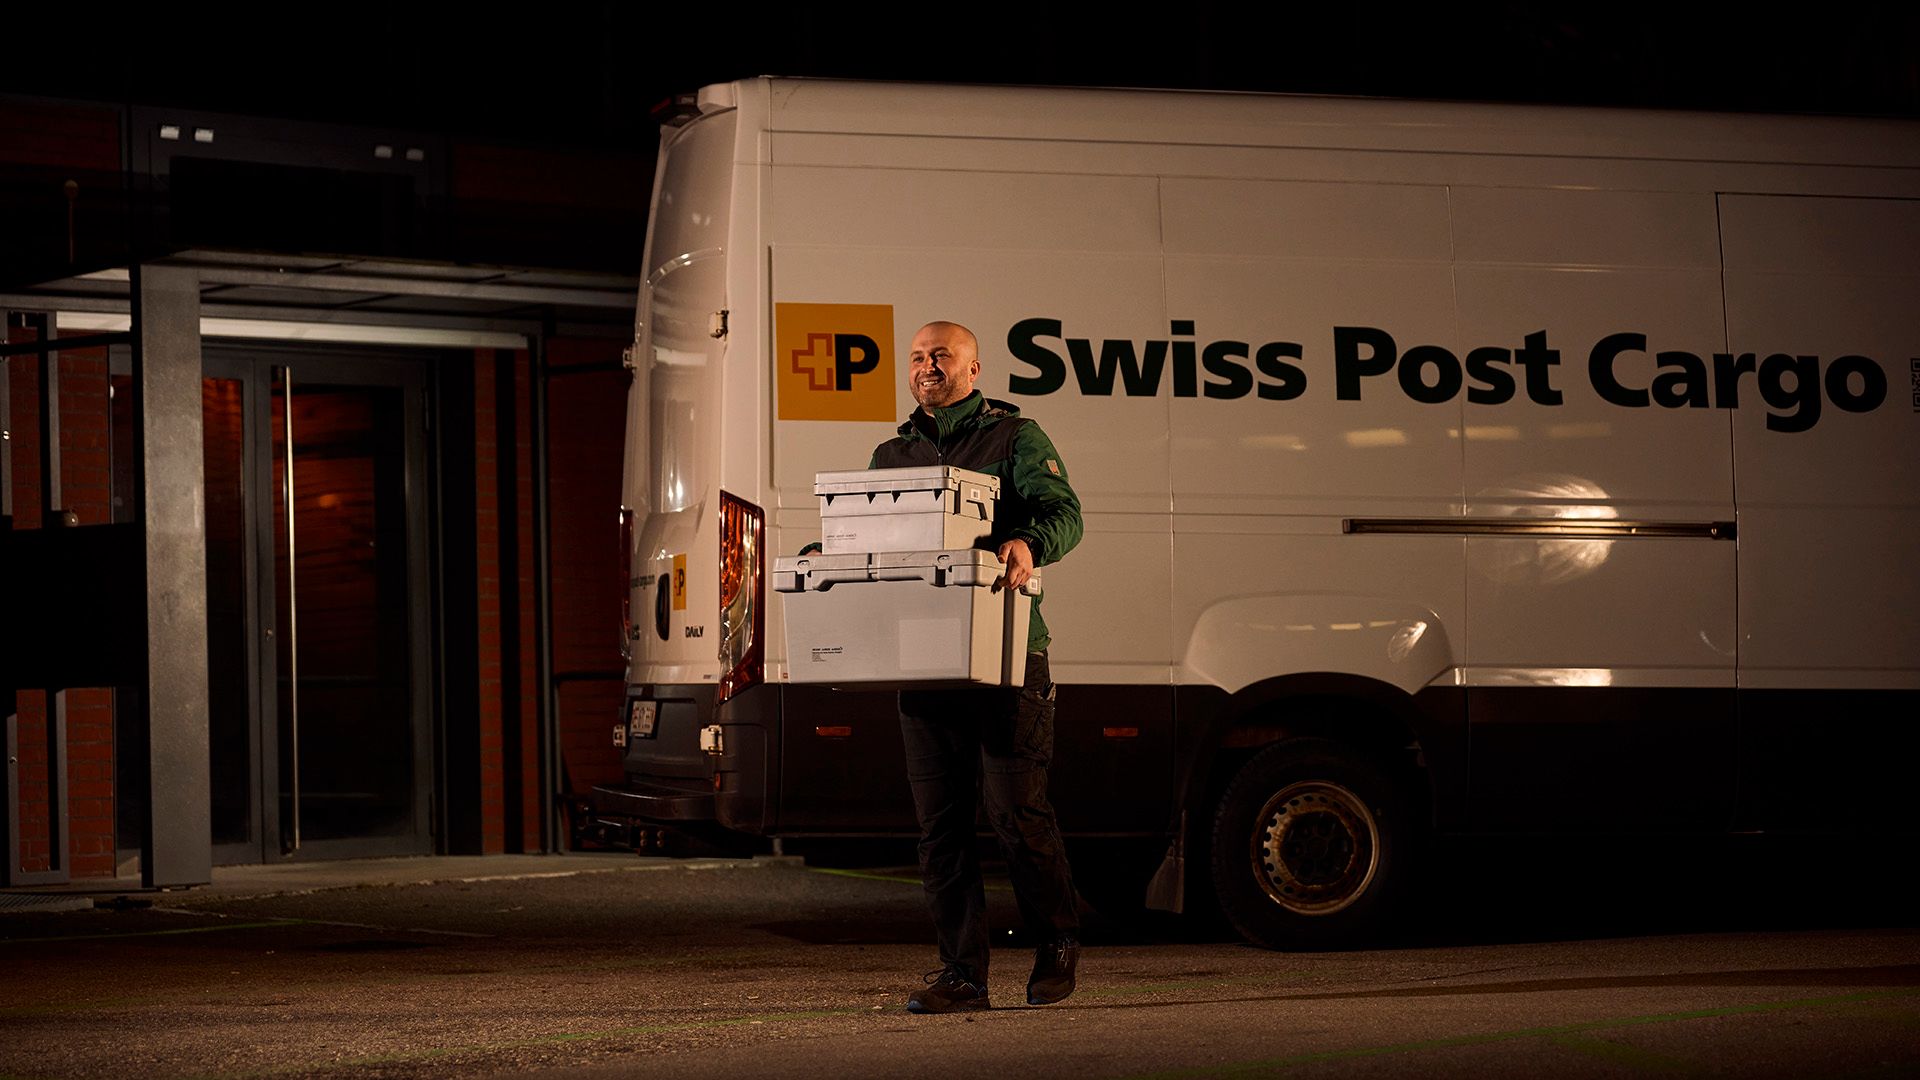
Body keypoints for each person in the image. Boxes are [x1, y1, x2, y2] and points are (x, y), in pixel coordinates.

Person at [871, 320, 1084, 1014]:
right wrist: (824, 553)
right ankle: (963, 974)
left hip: (1006, 654)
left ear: (973, 367)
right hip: (924, 661)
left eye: (940, 355)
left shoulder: (1015, 437)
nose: (926, 365)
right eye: (917, 357)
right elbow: (865, 539)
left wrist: (1027, 541)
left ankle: (1055, 941)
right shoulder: (892, 452)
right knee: (941, 830)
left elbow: (1065, 512)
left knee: (1016, 813)